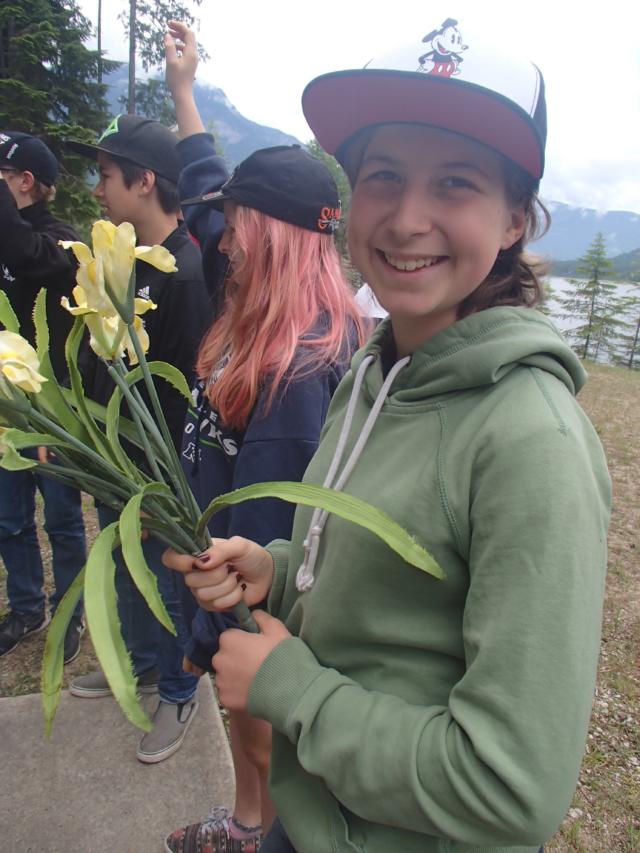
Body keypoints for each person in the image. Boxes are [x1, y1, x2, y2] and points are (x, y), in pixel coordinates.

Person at [164, 20, 612, 853]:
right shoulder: (373, 374)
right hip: (313, 813)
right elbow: (389, 593)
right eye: (383, 176)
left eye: (454, 182)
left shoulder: (531, 444)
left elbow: (513, 788)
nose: (407, 218)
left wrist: (293, 691)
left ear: (516, 217)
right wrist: (278, 571)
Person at [161, 20, 366, 853]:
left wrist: (219, 627)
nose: (220, 236)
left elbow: (275, 527)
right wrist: (184, 88)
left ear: (270, 237)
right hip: (221, 573)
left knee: (255, 718)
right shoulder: (247, 286)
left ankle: (261, 832)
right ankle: (249, 820)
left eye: (235, 224)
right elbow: (205, 177)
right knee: (240, 713)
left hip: (247, 589)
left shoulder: (298, 366)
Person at [66, 115, 213, 763]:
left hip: (157, 478)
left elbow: (187, 393)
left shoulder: (184, 272)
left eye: (105, 175)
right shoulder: (117, 260)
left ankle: (179, 688)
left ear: (145, 180)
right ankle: (142, 668)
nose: (97, 189)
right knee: (128, 580)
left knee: (162, 583)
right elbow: (102, 361)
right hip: (115, 465)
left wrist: (167, 489)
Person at [0, 131, 87, 664]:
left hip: (50, 411)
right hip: (5, 407)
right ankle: (26, 607)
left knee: (60, 518)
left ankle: (69, 610)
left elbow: (29, 257)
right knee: (8, 518)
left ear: (25, 182)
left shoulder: (59, 239)